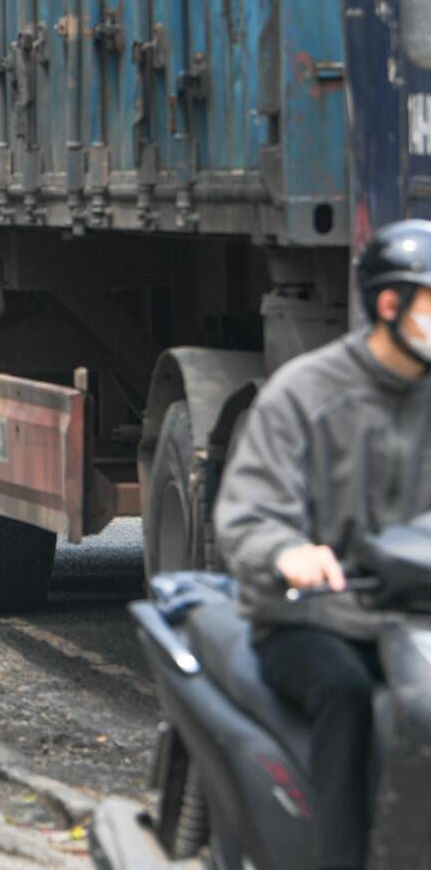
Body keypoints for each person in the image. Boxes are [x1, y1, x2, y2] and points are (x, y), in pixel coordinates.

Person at [215, 220, 431, 870]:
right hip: (315, 616)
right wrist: (290, 554)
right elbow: (248, 512)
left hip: (414, 619)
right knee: (348, 698)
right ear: (390, 305)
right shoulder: (305, 393)